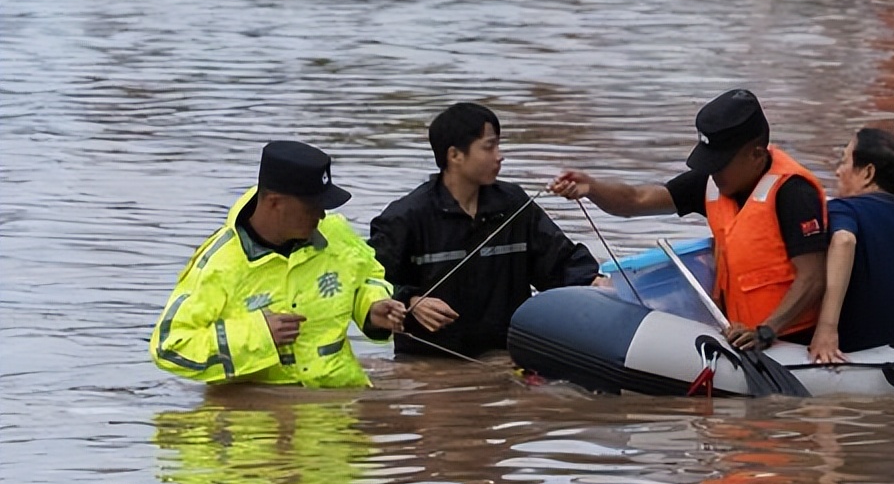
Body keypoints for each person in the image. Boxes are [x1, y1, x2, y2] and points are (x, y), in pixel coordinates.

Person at [550, 89, 827, 351]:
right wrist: (592, 187)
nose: (713, 173)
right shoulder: (712, 182)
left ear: (756, 155)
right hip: (739, 333)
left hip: (787, 340)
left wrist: (767, 331)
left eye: (719, 164)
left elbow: (813, 278)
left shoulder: (793, 193)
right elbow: (636, 200)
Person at [150, 141, 406, 388]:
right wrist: (259, 334)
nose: (321, 215)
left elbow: (368, 276)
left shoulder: (335, 232)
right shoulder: (220, 264)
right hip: (255, 409)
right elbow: (169, 348)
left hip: (340, 396)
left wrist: (371, 307)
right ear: (274, 202)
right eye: (312, 206)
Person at [369, 103, 601, 359]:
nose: (499, 156)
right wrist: (411, 301)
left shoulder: (513, 204)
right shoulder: (405, 217)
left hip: (506, 356)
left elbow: (559, 263)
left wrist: (596, 282)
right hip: (428, 361)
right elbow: (370, 284)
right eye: (489, 147)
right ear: (455, 155)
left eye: (498, 146)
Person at [808, 129, 894, 363]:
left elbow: (844, 240)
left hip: (852, 347)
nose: (838, 171)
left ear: (868, 173)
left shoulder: (844, 209)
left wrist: (826, 328)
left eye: (844, 161)